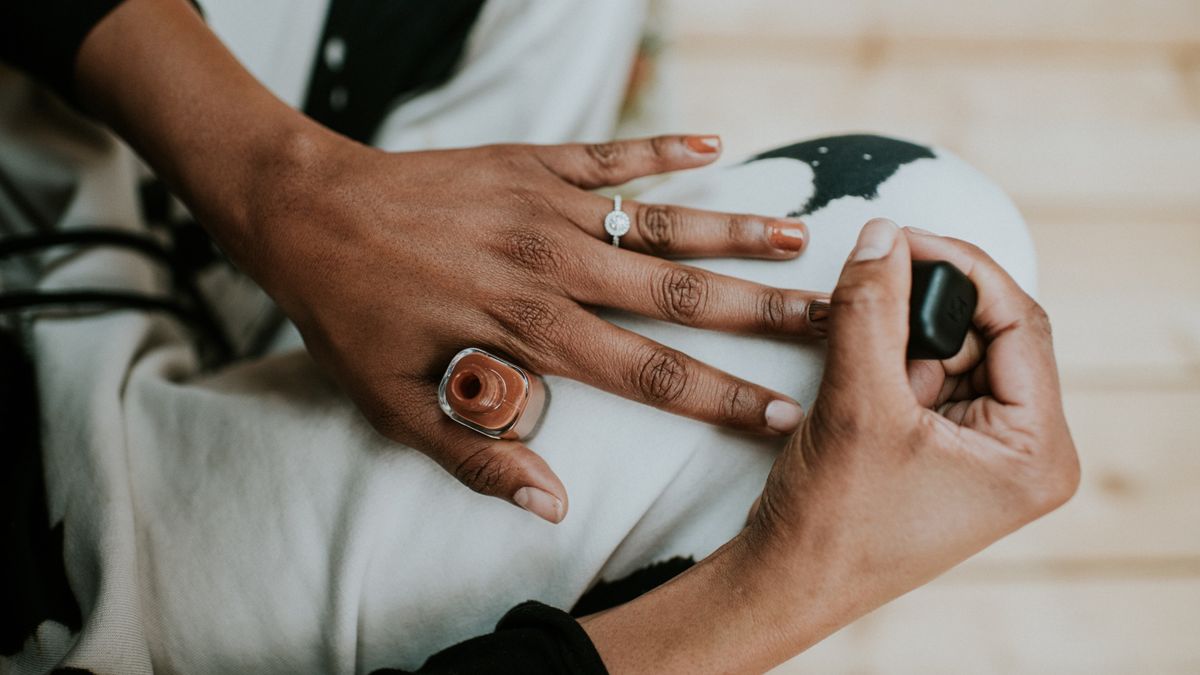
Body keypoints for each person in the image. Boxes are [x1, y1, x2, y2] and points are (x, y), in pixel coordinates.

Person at [0, 0, 1079, 672]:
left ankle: (352, 281)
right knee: (937, 229)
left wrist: (281, 184)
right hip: (108, 563)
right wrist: (787, 586)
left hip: (74, 481)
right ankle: (343, 291)